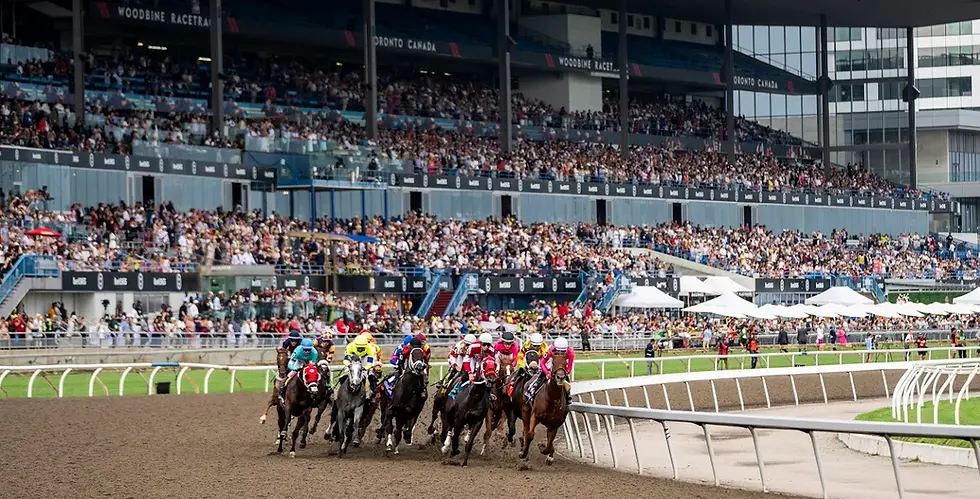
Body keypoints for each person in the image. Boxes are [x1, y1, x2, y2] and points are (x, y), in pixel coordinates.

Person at [533, 336, 575, 404]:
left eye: (563, 351)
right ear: (555, 348)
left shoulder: (571, 353)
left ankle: (568, 395)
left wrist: (566, 373)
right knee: (541, 376)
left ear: (566, 349)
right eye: (558, 351)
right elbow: (542, 363)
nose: (560, 353)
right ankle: (533, 389)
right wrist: (547, 373)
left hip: (562, 365)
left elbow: (569, 367)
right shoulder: (550, 350)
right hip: (550, 362)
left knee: (565, 378)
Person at [341, 334, 377, 401]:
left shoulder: (370, 348)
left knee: (366, 375)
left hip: (364, 358)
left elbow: (370, 363)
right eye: (359, 348)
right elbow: (345, 360)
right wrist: (349, 365)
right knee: (346, 373)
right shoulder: (350, 347)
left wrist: (365, 368)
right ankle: (340, 393)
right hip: (353, 357)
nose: (360, 349)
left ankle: (369, 393)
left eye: (362, 348)